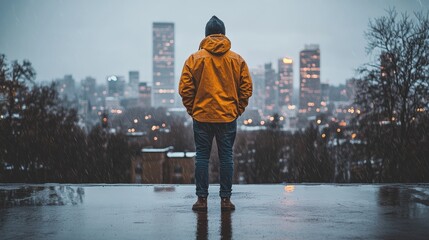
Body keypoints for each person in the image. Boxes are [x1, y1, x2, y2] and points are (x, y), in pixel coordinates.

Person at [179, 15, 252, 212]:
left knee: (202, 157)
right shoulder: (237, 60)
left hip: (202, 116)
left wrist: (193, 109)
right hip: (227, 117)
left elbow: (185, 89)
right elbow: (246, 88)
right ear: (224, 35)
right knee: (226, 157)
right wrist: (237, 109)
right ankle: (225, 200)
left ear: (206, 35)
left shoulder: (194, 59)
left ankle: (201, 200)